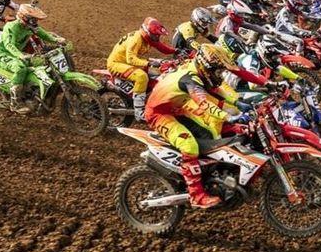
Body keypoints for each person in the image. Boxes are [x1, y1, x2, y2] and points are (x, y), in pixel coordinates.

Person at [143, 44, 255, 208]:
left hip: (176, 109)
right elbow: (204, 104)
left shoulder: (197, 71)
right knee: (189, 145)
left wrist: (237, 102)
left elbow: (218, 91)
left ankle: (208, 178)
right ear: (206, 66)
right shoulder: (190, 79)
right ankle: (196, 195)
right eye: (216, 71)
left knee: (210, 134)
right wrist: (230, 117)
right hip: (158, 114)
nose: (218, 75)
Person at [0, 4, 65, 113]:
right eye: (33, 19)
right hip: (3, 55)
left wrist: (57, 40)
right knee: (21, 68)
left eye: (36, 20)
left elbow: (44, 34)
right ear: (25, 17)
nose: (35, 22)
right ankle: (15, 103)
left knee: (41, 65)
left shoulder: (30, 27)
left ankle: (32, 94)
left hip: (18, 54)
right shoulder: (11, 27)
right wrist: (21, 55)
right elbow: (9, 45)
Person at [106, 17, 176, 121]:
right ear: (147, 32)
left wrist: (176, 51)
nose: (157, 37)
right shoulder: (136, 39)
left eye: (157, 35)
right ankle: (139, 112)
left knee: (158, 74)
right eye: (155, 35)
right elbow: (130, 58)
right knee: (141, 77)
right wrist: (149, 63)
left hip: (128, 64)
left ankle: (147, 99)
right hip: (116, 64)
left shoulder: (149, 39)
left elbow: (162, 48)